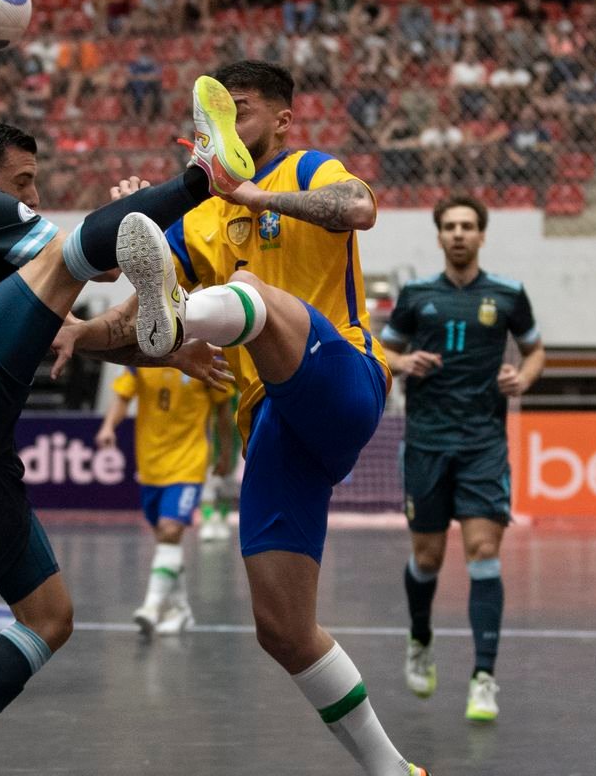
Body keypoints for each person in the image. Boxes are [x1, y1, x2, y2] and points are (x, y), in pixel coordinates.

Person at [0, 76, 256, 776]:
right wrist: (147, 211)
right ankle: (206, 175)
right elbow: (85, 259)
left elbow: (70, 329)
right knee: (68, 255)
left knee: (49, 617)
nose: (33, 195)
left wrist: (167, 350)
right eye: (24, 182)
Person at [65, 60, 429, 776]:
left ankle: (196, 310)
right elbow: (138, 329)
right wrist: (79, 334)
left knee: (250, 291)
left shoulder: (307, 168)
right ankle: (394, 770)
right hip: (271, 424)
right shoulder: (197, 215)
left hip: (343, 378)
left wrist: (253, 194)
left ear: (283, 120)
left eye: (239, 111)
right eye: (215, 115)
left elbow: (358, 207)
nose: (224, 125)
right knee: (283, 630)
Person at [378, 195, 544, 725]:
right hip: (426, 442)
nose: (458, 233)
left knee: (483, 552)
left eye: (467, 226)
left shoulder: (509, 294)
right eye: (449, 226)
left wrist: (523, 378)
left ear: (481, 235)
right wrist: (404, 362)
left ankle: (483, 677)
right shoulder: (416, 295)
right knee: (428, 559)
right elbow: (381, 351)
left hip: (483, 444)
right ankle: (420, 637)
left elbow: (536, 350)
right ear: (439, 235)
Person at [95, 364, 232, 634]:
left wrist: (225, 452)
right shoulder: (141, 360)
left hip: (189, 462)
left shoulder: (203, 358)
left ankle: (151, 606)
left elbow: (223, 409)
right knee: (165, 541)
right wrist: (108, 426)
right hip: (151, 464)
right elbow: (123, 396)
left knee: (170, 530)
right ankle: (181, 611)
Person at [197, 387, 240, 542]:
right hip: (208, 441)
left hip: (232, 440)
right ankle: (207, 520)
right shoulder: (210, 385)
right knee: (208, 484)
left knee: (227, 483)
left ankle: (223, 519)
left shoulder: (236, 388)